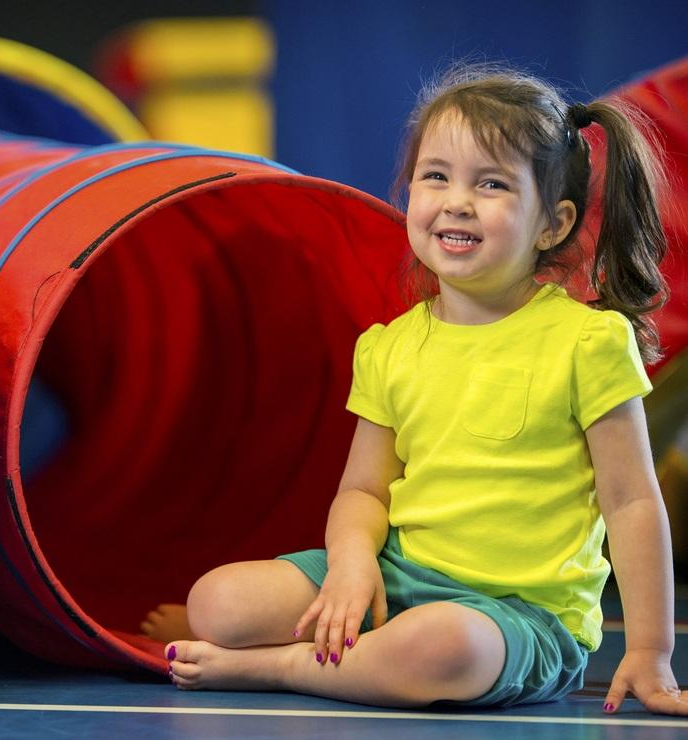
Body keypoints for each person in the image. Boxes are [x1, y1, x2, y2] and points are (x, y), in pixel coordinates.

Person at [146, 63, 688, 714]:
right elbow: (363, 490)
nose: (456, 200)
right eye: (436, 176)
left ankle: (285, 666)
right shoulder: (390, 346)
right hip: (400, 578)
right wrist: (351, 566)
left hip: (519, 618)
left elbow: (630, 501)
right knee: (218, 601)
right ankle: (333, 649)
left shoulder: (587, 344)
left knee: (442, 647)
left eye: (490, 184)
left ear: (551, 224)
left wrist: (649, 652)